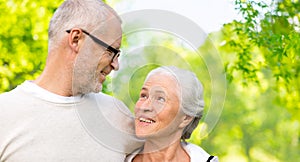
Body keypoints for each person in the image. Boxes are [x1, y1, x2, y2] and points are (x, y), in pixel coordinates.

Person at [0, 0, 142, 161]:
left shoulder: (117, 114)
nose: (115, 65)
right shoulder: (4, 114)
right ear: (76, 39)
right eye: (111, 51)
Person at [125, 66, 219, 162]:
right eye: (144, 95)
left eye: (160, 99)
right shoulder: (116, 157)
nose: (144, 107)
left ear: (186, 118)